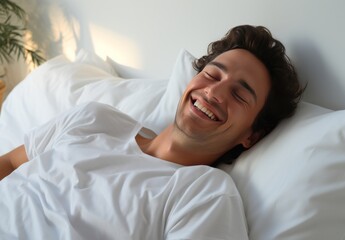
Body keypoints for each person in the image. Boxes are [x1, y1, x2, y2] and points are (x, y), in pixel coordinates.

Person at [0, 25, 304, 239]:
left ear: (250, 136)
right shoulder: (94, 118)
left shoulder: (204, 193)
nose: (214, 92)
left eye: (239, 95)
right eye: (212, 74)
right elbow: (12, 163)